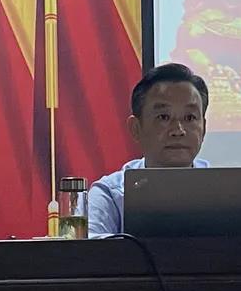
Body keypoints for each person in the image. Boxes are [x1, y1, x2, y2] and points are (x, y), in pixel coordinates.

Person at [88, 63, 210, 238]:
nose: (178, 130)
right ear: (136, 128)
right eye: (164, 117)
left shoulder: (225, 194)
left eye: (190, 117)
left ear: (203, 128)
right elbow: (89, 250)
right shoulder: (110, 195)